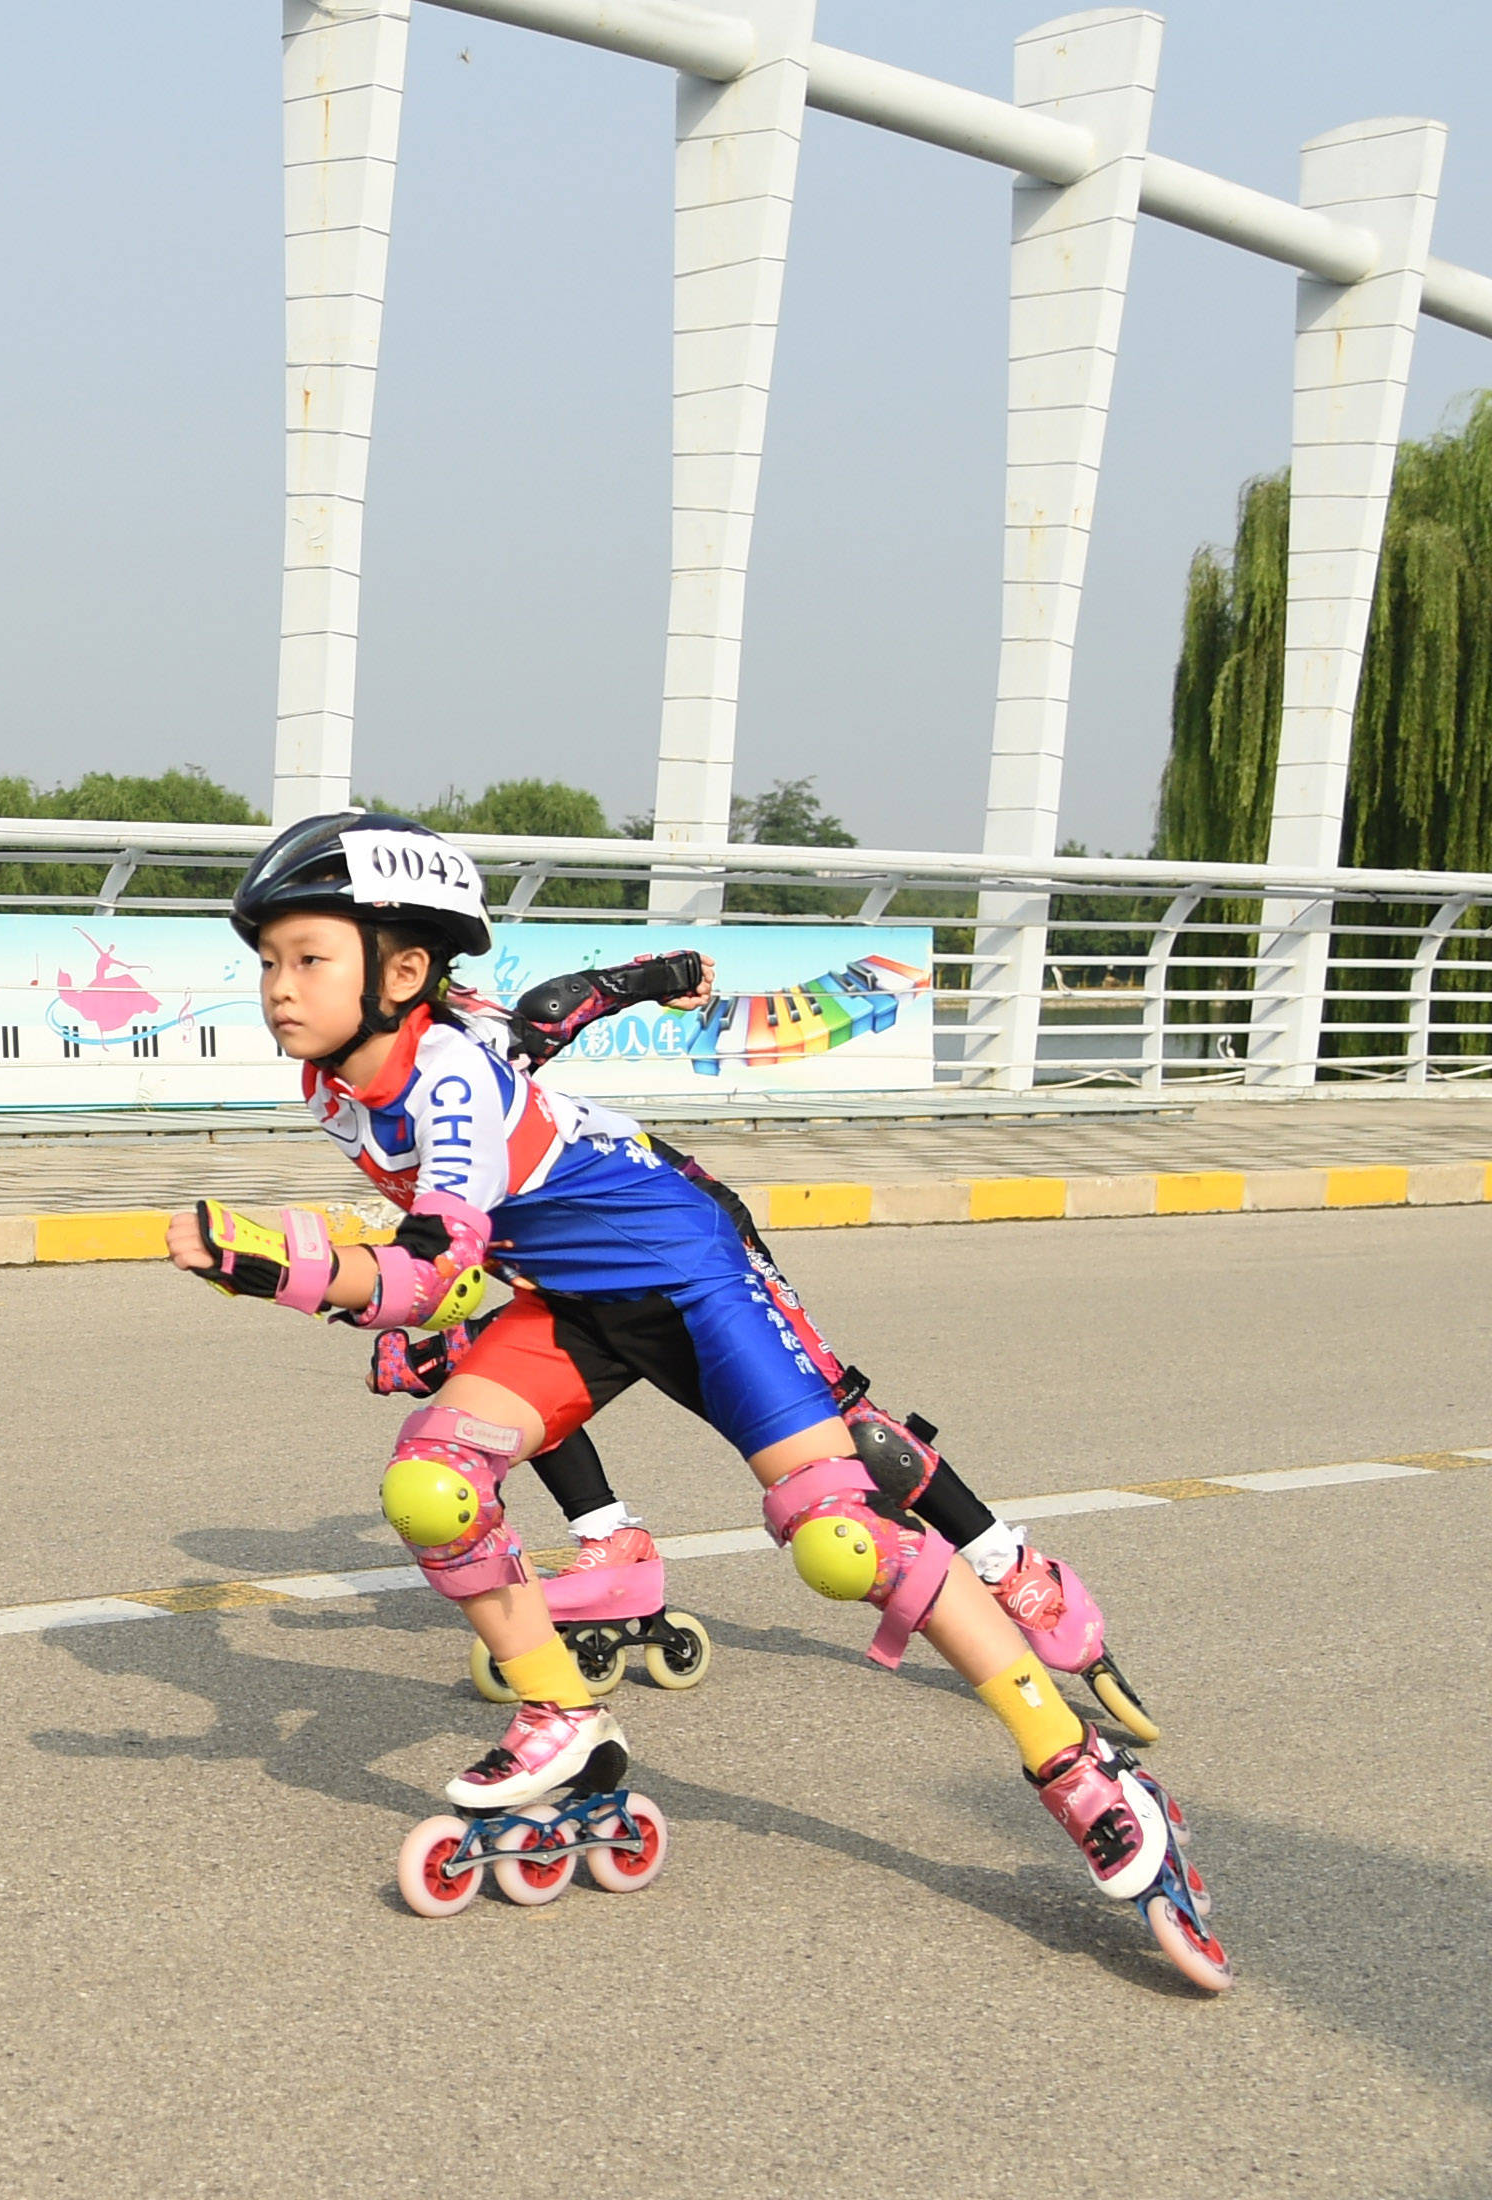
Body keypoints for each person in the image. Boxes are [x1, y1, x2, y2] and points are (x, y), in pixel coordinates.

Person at [167, 810, 1225, 1989]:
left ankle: (1084, 1773)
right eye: (267, 960)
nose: (277, 986)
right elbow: (558, 1018)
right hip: (572, 1296)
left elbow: (428, 1274)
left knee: (838, 1537)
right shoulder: (337, 1080)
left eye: (309, 958)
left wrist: (280, 1261)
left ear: (402, 969)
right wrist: (656, 978)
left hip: (691, 1274)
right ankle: (562, 1713)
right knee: (430, 1480)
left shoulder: (454, 1076)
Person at [379, 948, 1153, 1737]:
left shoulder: (461, 1048)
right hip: (557, 1265)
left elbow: (565, 1001)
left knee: (848, 1429)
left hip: (668, 1236)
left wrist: (673, 974)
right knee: (490, 1388)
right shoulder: (349, 1088)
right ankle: (609, 1540)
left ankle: (1008, 1564)